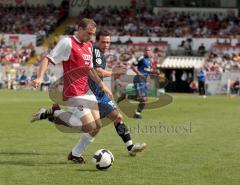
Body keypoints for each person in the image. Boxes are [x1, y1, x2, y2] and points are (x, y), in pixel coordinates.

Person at [31, 18, 112, 164]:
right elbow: (47, 58)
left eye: (93, 34)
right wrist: (39, 78)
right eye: (89, 33)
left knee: (97, 127)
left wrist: (102, 86)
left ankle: (75, 154)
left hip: (87, 91)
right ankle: (55, 113)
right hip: (73, 92)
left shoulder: (88, 45)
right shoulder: (67, 42)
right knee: (89, 126)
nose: (91, 36)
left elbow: (90, 70)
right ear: (80, 29)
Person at [87, 30, 146, 156]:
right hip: (89, 93)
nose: (106, 44)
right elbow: (98, 72)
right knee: (81, 124)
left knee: (117, 117)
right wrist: (115, 72)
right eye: (103, 42)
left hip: (99, 93)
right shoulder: (96, 51)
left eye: (108, 42)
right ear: (97, 41)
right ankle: (54, 113)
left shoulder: (100, 53)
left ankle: (130, 147)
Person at [131, 47, 153, 119]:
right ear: (144, 51)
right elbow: (132, 66)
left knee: (145, 100)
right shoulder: (141, 58)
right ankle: (128, 96)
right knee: (142, 98)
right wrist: (139, 74)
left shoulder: (149, 61)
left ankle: (137, 114)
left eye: (149, 51)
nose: (148, 52)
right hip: (139, 79)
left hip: (144, 81)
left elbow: (147, 71)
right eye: (146, 50)